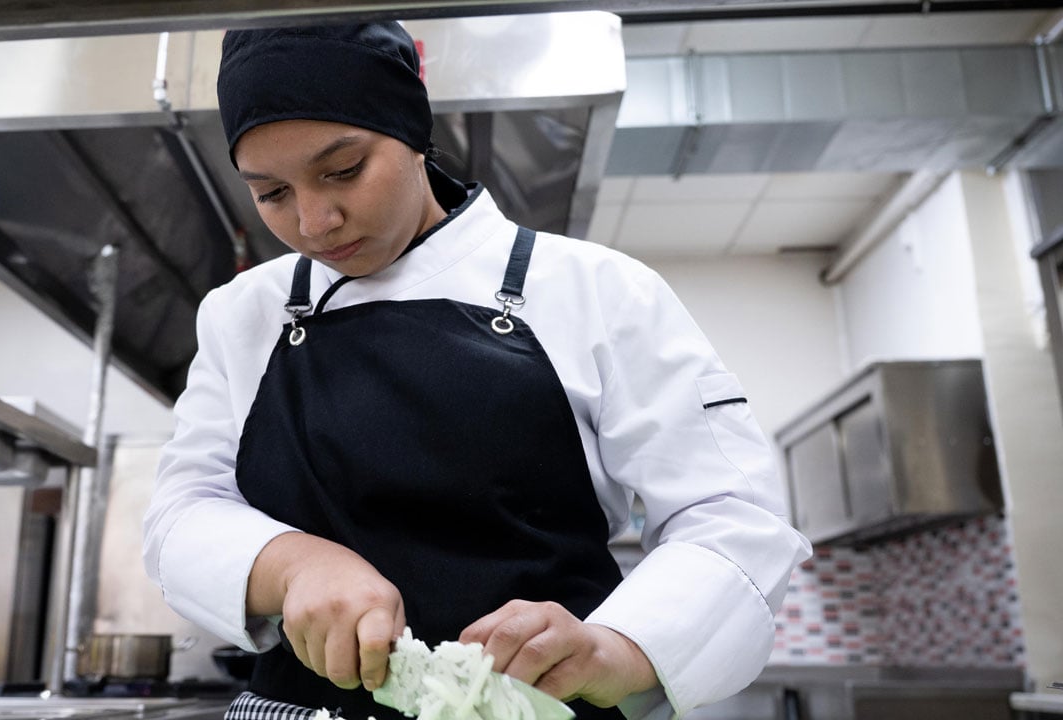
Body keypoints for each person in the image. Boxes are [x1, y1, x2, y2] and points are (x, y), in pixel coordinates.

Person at [143, 21, 810, 720]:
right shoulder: (240, 315)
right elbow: (181, 513)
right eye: (271, 192)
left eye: (343, 171)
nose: (315, 221)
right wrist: (292, 564)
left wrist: (618, 648)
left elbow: (730, 518)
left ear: (411, 133)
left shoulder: (597, 290)